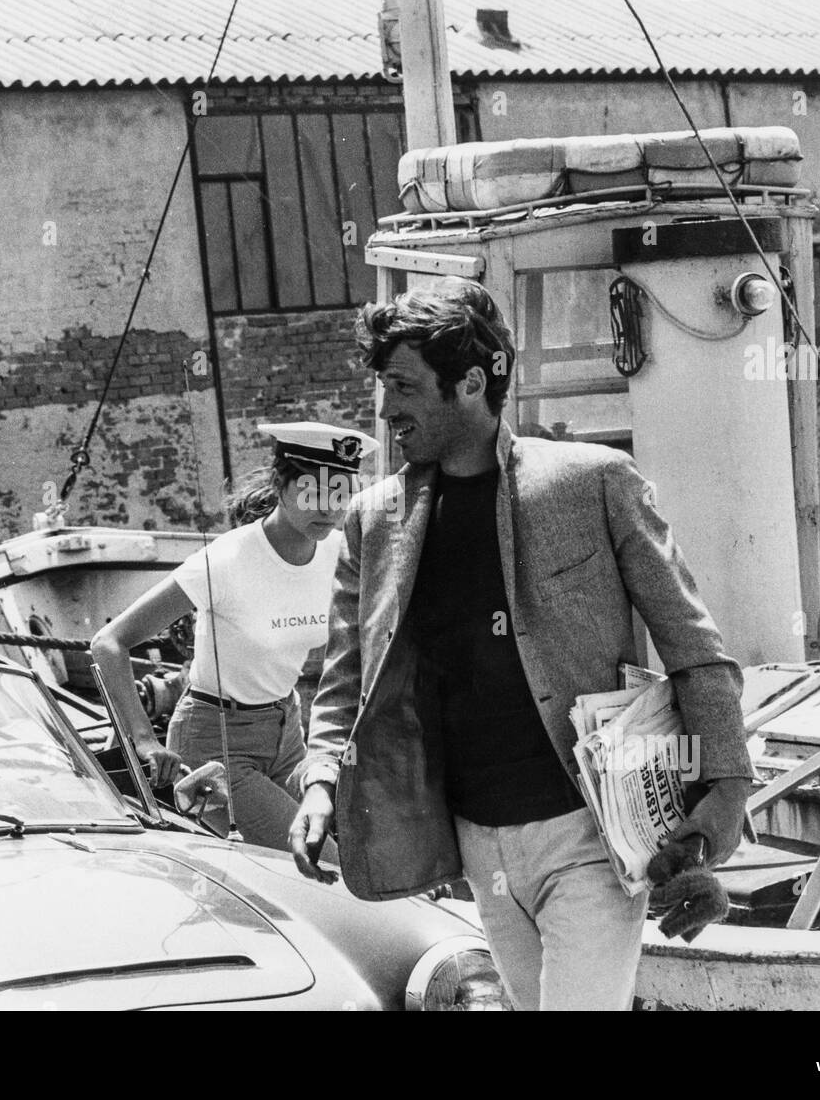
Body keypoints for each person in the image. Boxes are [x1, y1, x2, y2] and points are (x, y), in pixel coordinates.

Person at [287, 278, 754, 1011]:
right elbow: (346, 678)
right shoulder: (372, 523)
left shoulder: (593, 483)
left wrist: (727, 789)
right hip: (476, 845)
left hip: (588, 836)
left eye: (403, 386)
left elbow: (692, 644)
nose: (384, 411)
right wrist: (320, 781)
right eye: (381, 386)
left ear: (470, 383)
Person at [91, 421, 378, 862]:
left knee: (374, 843)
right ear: (281, 483)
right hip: (215, 745)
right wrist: (143, 742)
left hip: (289, 734)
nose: (330, 507)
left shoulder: (340, 552)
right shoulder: (226, 560)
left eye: (340, 492)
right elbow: (109, 642)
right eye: (314, 491)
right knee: (324, 861)